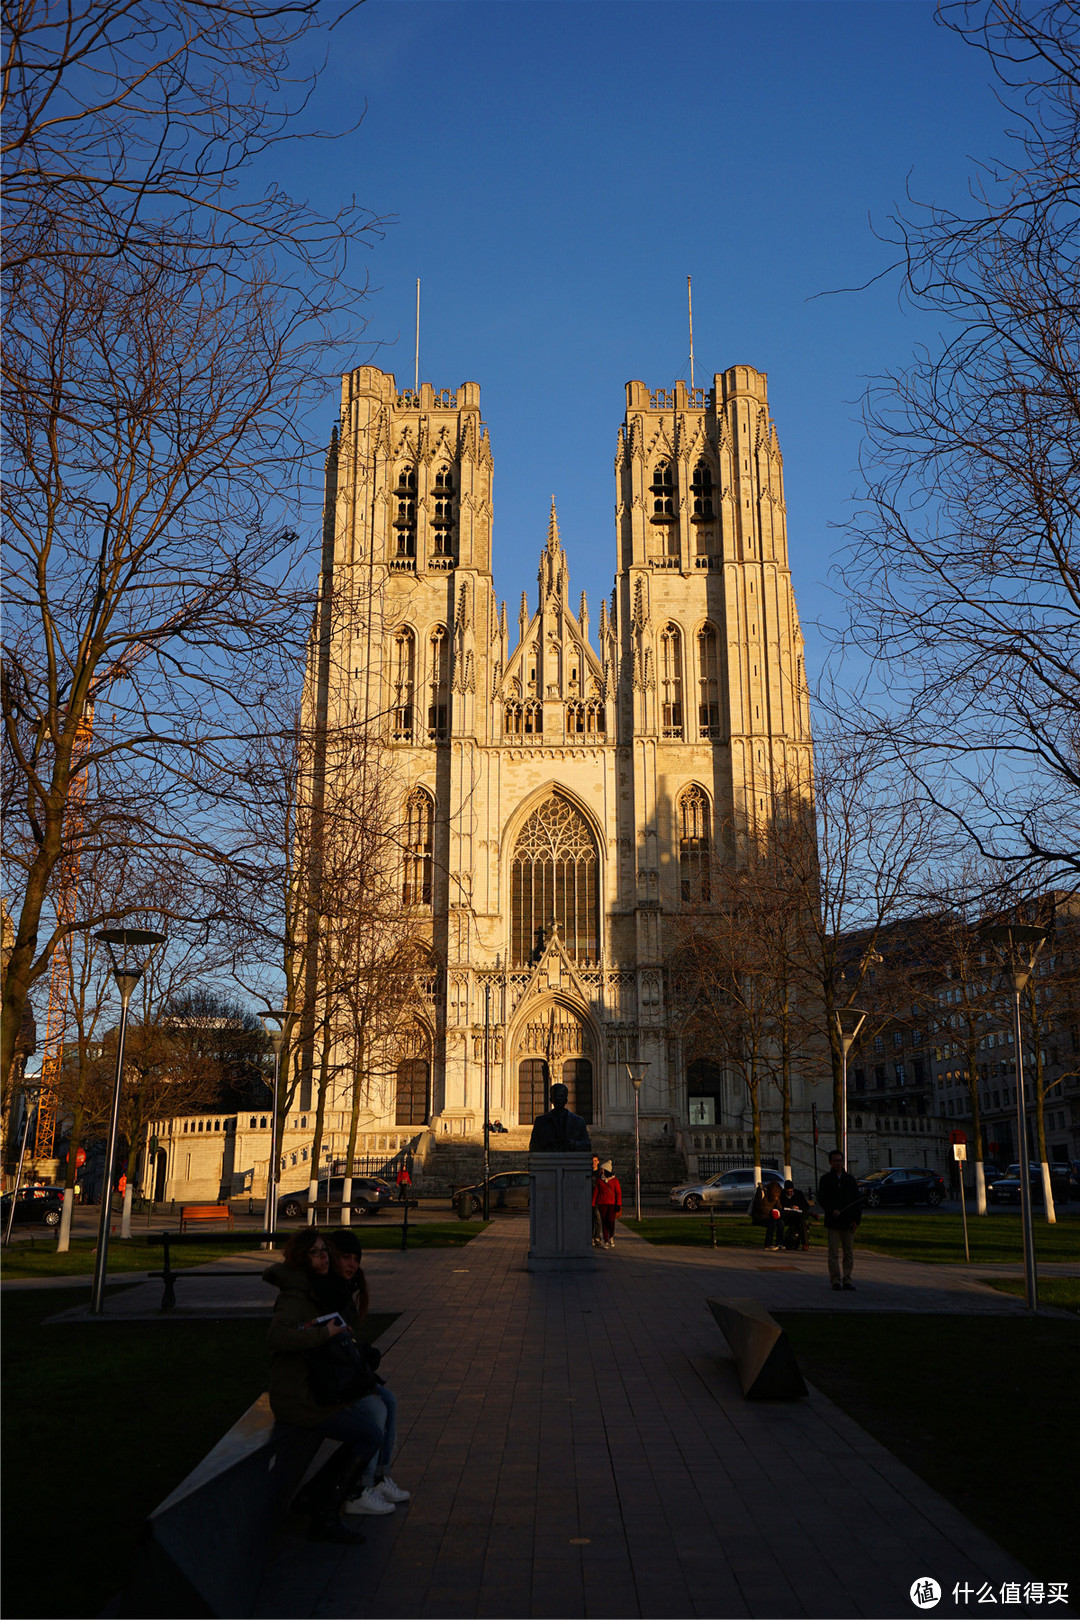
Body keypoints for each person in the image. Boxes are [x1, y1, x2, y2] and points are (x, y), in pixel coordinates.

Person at [264, 1227, 383, 1543]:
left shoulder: (315, 1289)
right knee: (369, 1433)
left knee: (369, 1429)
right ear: (303, 1257)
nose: (324, 1256)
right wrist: (324, 1333)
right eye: (317, 1252)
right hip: (299, 1398)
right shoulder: (294, 1295)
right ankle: (325, 1513)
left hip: (315, 1390)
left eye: (325, 1251)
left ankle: (314, 1497)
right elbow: (276, 1337)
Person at [327, 1229, 411, 1518]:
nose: (352, 1264)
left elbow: (342, 1339)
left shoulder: (345, 1289)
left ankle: (378, 1476)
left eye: (355, 1259)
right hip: (329, 1380)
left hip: (345, 1372)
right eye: (345, 1258)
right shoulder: (329, 1291)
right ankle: (358, 1490)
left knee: (389, 1401)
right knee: (375, 1410)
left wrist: (360, 1352)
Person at [817, 1149, 862, 1291]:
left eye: (840, 1160)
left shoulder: (850, 1180)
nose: (838, 1163)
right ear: (830, 1162)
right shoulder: (826, 1180)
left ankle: (847, 1279)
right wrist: (831, 1210)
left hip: (848, 1222)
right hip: (833, 1222)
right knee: (833, 1253)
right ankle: (835, 1280)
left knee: (848, 1253)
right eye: (835, 1161)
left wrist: (856, 1220)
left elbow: (857, 1201)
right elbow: (822, 1199)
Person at [528, 1081, 591, 1152]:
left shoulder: (578, 1121)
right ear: (551, 1100)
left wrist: (571, 1144)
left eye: (561, 1096)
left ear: (566, 1100)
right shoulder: (540, 1122)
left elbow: (586, 1145)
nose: (559, 1099)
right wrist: (550, 1144)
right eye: (556, 1096)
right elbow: (533, 1146)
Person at [593, 1160, 622, 1248]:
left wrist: (618, 1204)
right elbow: (596, 1192)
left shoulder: (614, 1181)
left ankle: (611, 1236)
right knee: (604, 1222)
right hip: (602, 1204)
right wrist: (593, 1203)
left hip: (612, 1204)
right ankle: (606, 1240)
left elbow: (618, 1193)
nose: (601, 1171)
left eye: (602, 1169)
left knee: (611, 1221)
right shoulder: (600, 1181)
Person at [751, 1180, 785, 1250]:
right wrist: (771, 1212)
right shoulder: (761, 1192)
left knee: (780, 1222)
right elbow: (758, 1206)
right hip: (760, 1217)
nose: (776, 1196)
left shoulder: (776, 1197)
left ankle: (779, 1243)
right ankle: (768, 1244)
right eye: (776, 1193)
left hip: (770, 1216)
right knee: (772, 1223)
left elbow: (779, 1207)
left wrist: (778, 1211)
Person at [779, 1180, 812, 1251]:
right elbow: (780, 1206)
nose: (789, 1193)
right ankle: (782, 1242)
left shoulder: (798, 1194)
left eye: (791, 1191)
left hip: (797, 1215)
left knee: (801, 1221)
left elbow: (806, 1206)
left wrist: (798, 1207)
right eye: (788, 1192)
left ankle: (805, 1243)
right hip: (787, 1216)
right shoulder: (781, 1195)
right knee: (781, 1222)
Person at [590, 1154, 603, 1247]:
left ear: (598, 1162)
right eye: (592, 1161)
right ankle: (591, 1237)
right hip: (589, 1197)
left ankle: (597, 1237)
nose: (593, 1163)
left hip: (598, 1199)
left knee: (598, 1218)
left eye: (595, 1161)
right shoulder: (588, 1172)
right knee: (590, 1219)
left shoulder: (600, 1173)